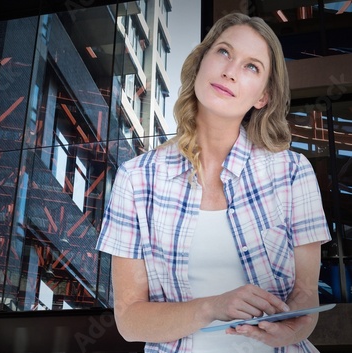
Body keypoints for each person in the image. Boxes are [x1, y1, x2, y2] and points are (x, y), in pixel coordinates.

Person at [96, 12, 331, 353]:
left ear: (262, 97)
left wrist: (290, 331)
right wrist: (212, 307)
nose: (230, 71)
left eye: (252, 67)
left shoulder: (293, 173)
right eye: (223, 52)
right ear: (201, 62)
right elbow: (130, 321)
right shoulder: (137, 180)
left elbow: (306, 296)